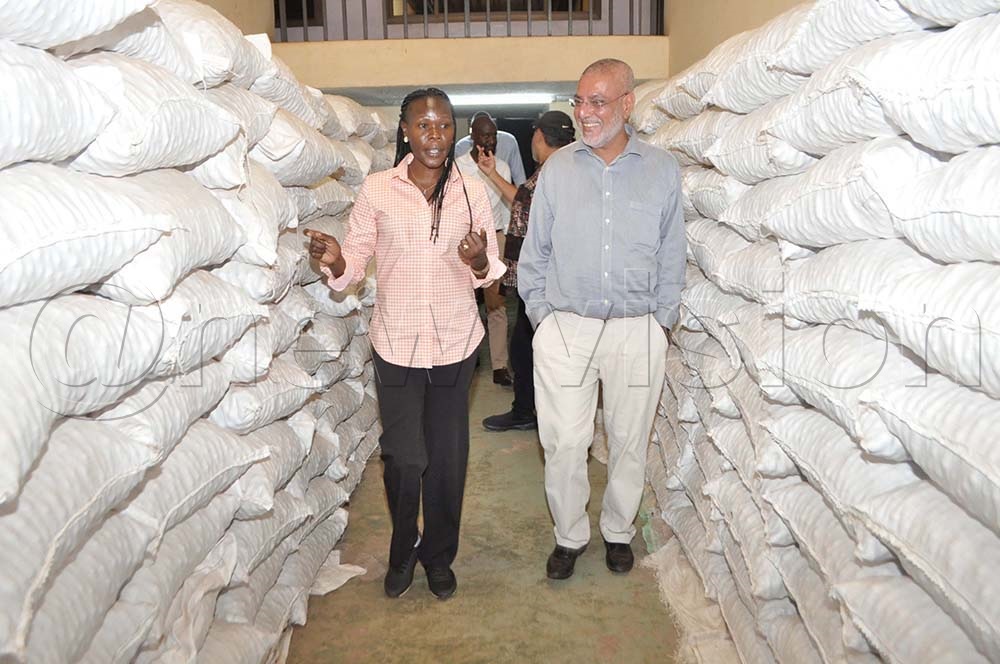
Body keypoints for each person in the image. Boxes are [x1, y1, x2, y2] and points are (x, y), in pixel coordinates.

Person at [304, 88, 505, 601]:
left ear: (452, 131)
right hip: (395, 342)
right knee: (403, 458)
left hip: (456, 343)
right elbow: (353, 264)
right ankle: (402, 550)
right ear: (405, 131)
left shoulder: (470, 190)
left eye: (443, 125)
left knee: (446, 457)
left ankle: (438, 556)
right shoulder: (377, 189)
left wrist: (479, 261)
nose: (434, 135)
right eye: (423, 125)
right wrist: (332, 257)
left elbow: (491, 276)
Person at [518, 59, 686, 580]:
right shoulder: (558, 170)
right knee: (564, 441)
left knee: (628, 438)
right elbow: (535, 254)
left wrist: (661, 321)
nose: (585, 113)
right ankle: (569, 535)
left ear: (627, 103)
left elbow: (672, 252)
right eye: (579, 101)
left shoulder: (661, 170)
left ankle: (618, 531)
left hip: (638, 328)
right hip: (566, 326)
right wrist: (543, 318)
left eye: (598, 102)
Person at [477, 111, 576, 432]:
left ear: (539, 137)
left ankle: (531, 412)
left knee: (529, 349)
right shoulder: (564, 166)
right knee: (526, 346)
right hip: (542, 280)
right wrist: (492, 174)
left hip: (548, 281)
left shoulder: (557, 171)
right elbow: (524, 200)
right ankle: (531, 410)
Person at [456, 113, 514, 387]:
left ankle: (500, 365)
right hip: (464, 242)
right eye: (483, 134)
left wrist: (506, 242)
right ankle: (469, 356)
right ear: (472, 135)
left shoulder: (502, 166)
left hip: (495, 240)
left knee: (496, 304)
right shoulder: (457, 167)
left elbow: (506, 206)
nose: (489, 140)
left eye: (493, 134)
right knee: (464, 301)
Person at [456, 112, 527, 186]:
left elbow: (519, 182)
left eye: (494, 136)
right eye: (486, 136)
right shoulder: (458, 165)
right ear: (473, 136)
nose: (492, 141)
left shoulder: (503, 168)